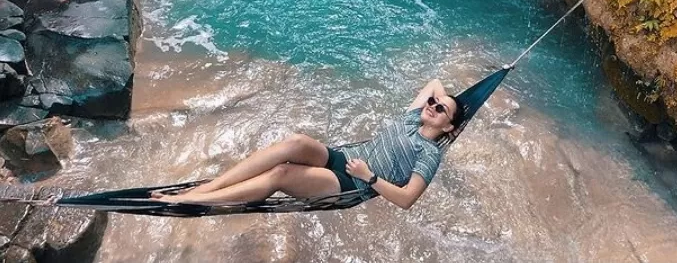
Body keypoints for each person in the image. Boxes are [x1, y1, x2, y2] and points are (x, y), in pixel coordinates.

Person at [153, 79, 464, 210]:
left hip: (354, 184)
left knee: (282, 174)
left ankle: (191, 201)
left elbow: (407, 199)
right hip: (346, 157)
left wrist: (369, 176)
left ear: (448, 126)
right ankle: (208, 187)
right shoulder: (414, 118)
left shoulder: (429, 154)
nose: (432, 105)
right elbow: (435, 82)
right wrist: (449, 102)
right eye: (433, 103)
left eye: (440, 109)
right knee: (296, 142)